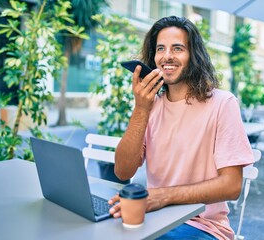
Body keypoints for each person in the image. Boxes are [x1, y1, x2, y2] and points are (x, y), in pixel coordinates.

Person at [108, 16, 254, 239]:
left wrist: (162, 196)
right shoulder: (149, 106)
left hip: (203, 227)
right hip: (155, 219)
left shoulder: (222, 104)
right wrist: (140, 109)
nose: (167, 56)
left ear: (193, 55)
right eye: (160, 49)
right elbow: (122, 171)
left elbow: (232, 186)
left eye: (177, 48)